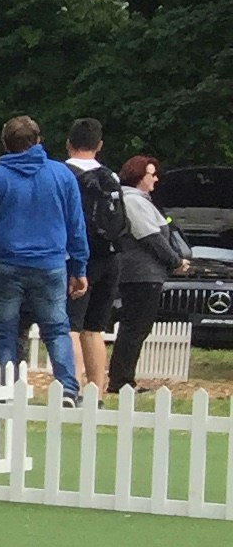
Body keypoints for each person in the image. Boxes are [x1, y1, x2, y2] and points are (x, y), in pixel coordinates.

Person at [0, 114, 89, 401]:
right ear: (39, 140)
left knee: (3, 330)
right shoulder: (62, 175)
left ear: (5, 144)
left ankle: (7, 389)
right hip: (50, 263)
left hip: (3, 263)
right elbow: (76, 225)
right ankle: (68, 387)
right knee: (57, 329)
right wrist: (79, 266)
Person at [107, 154, 192, 396]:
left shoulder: (141, 200)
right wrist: (174, 261)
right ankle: (120, 381)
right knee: (135, 327)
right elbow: (151, 238)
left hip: (147, 274)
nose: (156, 178)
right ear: (138, 177)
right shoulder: (133, 201)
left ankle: (124, 379)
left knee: (137, 327)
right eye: (151, 174)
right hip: (141, 275)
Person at [65, 119, 130, 396]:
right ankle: (97, 391)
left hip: (77, 258)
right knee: (94, 329)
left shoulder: (64, 174)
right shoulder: (111, 177)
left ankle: (74, 389)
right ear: (99, 145)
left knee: (70, 326)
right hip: (110, 257)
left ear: (68, 143)